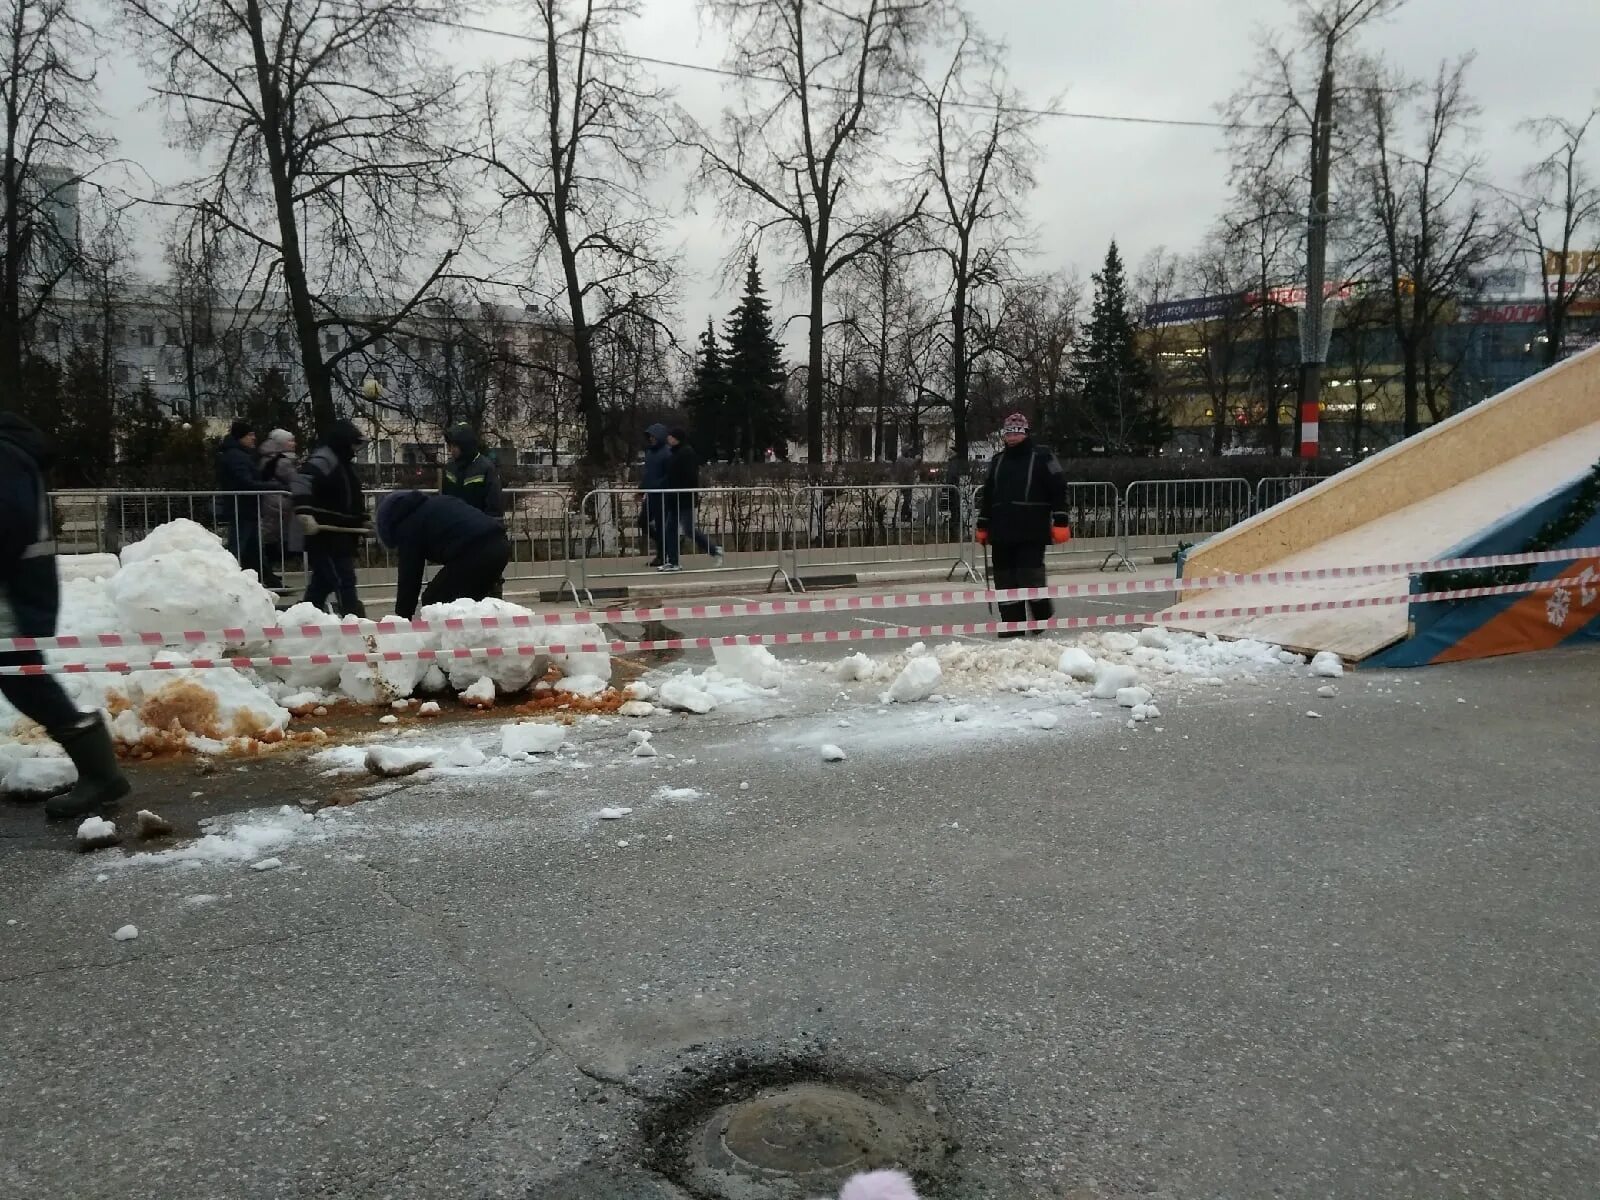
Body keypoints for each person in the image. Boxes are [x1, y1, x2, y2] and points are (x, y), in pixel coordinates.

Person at [0, 413, 131, 820]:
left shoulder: (4, 455)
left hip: (12, 593)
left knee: (22, 676)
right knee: (20, 676)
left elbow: (9, 520)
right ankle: (100, 773)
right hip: (20, 586)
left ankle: (101, 773)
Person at [976, 412, 1071, 638]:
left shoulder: (1043, 457)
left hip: (1032, 529)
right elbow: (989, 495)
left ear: (1025, 433)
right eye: (1009, 433)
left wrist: (1061, 520)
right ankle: (1012, 623)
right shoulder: (998, 461)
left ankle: (1039, 617)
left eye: (1017, 433)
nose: (1012, 437)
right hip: (1001, 530)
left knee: (1030, 575)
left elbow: (1059, 488)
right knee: (1004, 578)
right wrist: (983, 524)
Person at [375, 490, 512, 620]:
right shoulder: (436, 504)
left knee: (434, 601)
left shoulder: (408, 527)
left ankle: (449, 642)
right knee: (470, 603)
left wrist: (401, 620)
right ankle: (488, 636)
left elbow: (410, 578)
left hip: (477, 551)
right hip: (500, 544)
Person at [292, 420, 370, 617]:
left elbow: (352, 495)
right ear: (343, 441)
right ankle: (354, 619)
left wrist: (362, 518)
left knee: (324, 582)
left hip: (340, 533)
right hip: (324, 534)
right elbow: (302, 482)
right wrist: (304, 512)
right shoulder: (325, 459)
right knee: (342, 579)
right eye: (353, 443)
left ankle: (303, 618)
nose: (355, 448)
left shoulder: (344, 464)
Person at [215, 418, 277, 581]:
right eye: (250, 435)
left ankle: (268, 580)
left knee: (253, 548)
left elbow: (250, 478)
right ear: (241, 437)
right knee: (239, 548)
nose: (254, 438)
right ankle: (225, 579)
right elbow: (246, 482)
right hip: (242, 508)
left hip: (246, 508)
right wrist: (274, 487)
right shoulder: (236, 456)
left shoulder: (240, 455)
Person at [658, 427, 723, 572]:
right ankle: (673, 561)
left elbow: (690, 476)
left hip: (685, 496)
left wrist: (684, 490)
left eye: (671, 437)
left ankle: (714, 549)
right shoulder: (674, 453)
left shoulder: (686, 453)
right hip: (674, 497)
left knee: (688, 529)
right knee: (670, 528)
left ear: (676, 438)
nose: (668, 439)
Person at [257, 428, 301, 591]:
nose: (293, 443)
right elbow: (294, 481)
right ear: (282, 443)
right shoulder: (282, 461)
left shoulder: (268, 458)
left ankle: (268, 576)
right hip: (278, 505)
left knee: (269, 540)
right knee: (272, 541)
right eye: (290, 440)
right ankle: (268, 576)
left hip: (271, 504)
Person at [440, 424, 504, 516]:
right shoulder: (450, 467)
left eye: (454, 446)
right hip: (454, 526)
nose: (450, 450)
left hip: (478, 527)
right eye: (449, 446)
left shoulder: (486, 468)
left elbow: (494, 507)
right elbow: (445, 501)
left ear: (465, 445)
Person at [639, 423, 672, 566]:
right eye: (650, 436)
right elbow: (647, 474)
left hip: (662, 495)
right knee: (643, 522)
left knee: (661, 525)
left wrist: (659, 485)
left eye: (653, 436)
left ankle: (662, 555)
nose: (651, 439)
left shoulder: (667, 453)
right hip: (651, 495)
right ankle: (664, 543)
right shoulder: (650, 453)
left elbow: (670, 475)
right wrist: (641, 490)